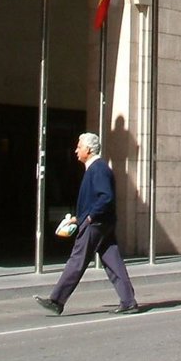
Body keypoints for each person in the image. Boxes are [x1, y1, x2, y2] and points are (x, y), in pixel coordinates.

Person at [35, 132, 138, 315]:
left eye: (79, 147)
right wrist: (78, 218)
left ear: (88, 150)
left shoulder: (98, 169)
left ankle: (57, 300)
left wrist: (90, 217)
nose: (76, 150)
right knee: (113, 262)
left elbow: (105, 197)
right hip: (102, 223)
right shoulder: (97, 168)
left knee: (77, 259)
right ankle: (129, 301)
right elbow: (96, 199)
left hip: (96, 224)